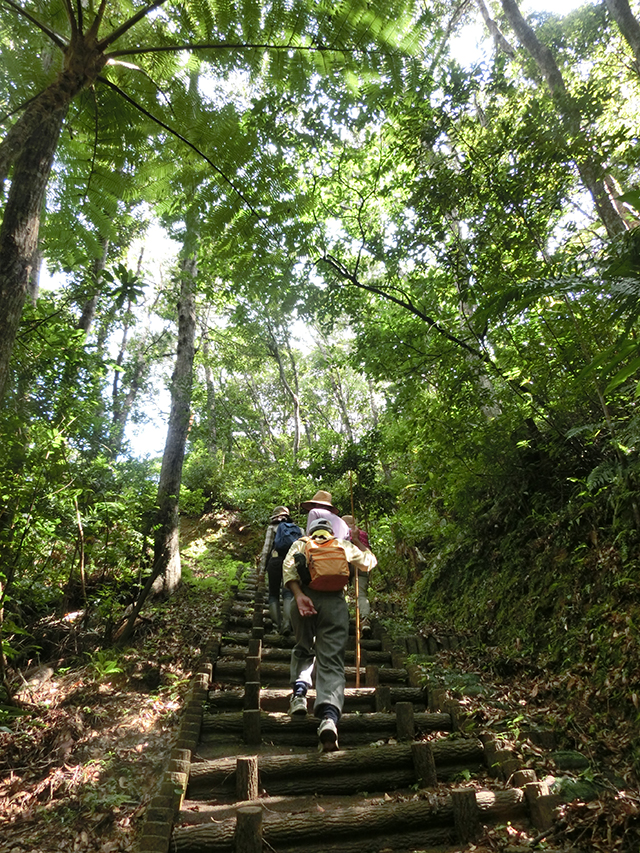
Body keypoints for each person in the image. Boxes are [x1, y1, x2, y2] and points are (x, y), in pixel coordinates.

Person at [283, 516, 377, 752]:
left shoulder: (301, 543)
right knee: (331, 660)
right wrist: (358, 542)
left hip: (304, 598)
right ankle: (329, 718)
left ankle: (299, 694)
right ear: (330, 531)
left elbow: (288, 570)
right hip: (335, 604)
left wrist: (298, 595)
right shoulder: (341, 545)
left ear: (312, 531)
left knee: (303, 646)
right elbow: (369, 563)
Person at [259, 505, 299, 636]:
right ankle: (287, 624)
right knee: (288, 593)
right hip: (291, 562)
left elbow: (266, 549)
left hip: (275, 561)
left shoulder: (272, 528)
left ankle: (277, 627)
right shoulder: (297, 529)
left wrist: (261, 571)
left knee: (273, 594)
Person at [342, 515, 375, 638]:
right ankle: (365, 620)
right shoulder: (363, 534)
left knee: (341, 593)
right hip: (361, 563)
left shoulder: (342, 533)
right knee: (361, 594)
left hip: (344, 564)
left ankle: (342, 619)